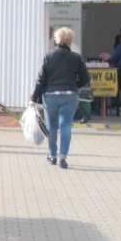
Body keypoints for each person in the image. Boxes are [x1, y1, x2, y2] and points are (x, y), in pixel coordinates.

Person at [31, 27, 90, 169]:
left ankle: (52, 155)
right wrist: (74, 86)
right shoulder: (76, 58)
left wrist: (34, 97)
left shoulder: (49, 56)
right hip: (70, 95)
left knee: (52, 126)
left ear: (57, 39)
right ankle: (63, 156)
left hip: (50, 95)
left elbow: (41, 79)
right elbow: (86, 78)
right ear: (70, 40)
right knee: (65, 125)